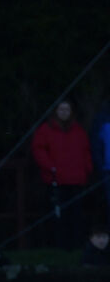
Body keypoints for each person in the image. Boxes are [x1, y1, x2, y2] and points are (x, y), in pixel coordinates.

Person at [31, 99, 93, 250]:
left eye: (67, 109)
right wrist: (50, 167)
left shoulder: (78, 130)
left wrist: (87, 168)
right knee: (59, 215)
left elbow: (85, 151)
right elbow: (38, 150)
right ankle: (60, 246)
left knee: (76, 214)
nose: (64, 112)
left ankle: (76, 245)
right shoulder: (46, 129)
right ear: (55, 112)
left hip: (76, 179)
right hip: (56, 180)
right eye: (61, 109)